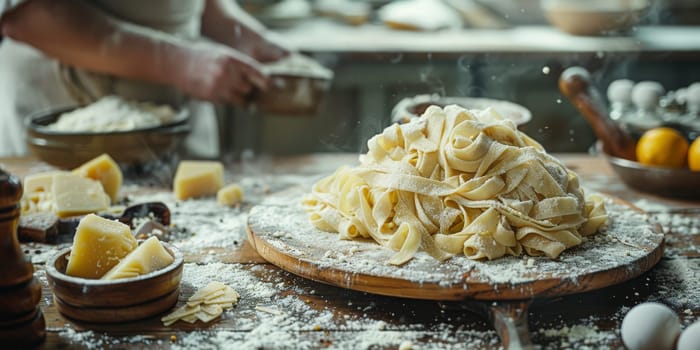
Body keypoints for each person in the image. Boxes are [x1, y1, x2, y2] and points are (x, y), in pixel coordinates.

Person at [0, 0, 291, 157]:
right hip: (73, 133)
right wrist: (180, 63)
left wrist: (239, 32)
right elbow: (30, 17)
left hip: (180, 126)